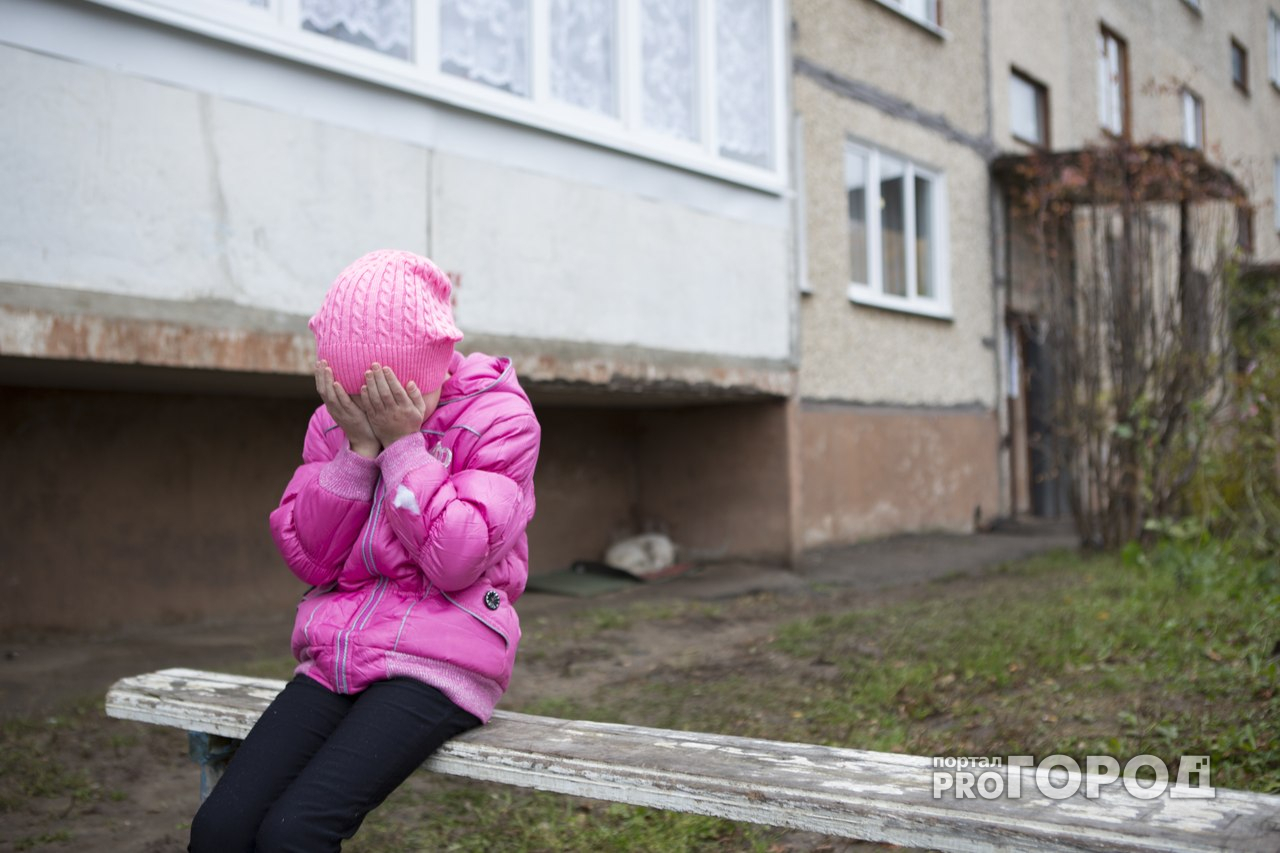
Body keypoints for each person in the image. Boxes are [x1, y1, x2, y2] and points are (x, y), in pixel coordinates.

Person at [189, 249, 541, 852]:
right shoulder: (335, 424)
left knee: (294, 833)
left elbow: (453, 559)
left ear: (428, 371)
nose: (370, 416)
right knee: (219, 829)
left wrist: (404, 447)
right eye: (356, 402)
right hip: (339, 653)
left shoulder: (499, 420)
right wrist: (355, 454)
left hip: (440, 657)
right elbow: (311, 559)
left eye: (386, 401)